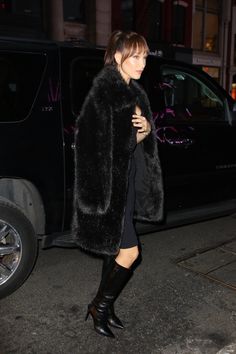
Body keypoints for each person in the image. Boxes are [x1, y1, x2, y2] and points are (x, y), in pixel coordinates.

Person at [72, 30, 164, 338]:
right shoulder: (105, 94)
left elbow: (136, 141)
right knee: (131, 252)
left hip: (126, 183)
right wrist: (134, 134)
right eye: (135, 56)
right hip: (110, 189)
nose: (141, 63)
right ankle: (99, 305)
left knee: (114, 251)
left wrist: (146, 128)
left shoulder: (133, 93)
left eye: (144, 57)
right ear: (117, 56)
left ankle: (106, 309)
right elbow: (91, 144)